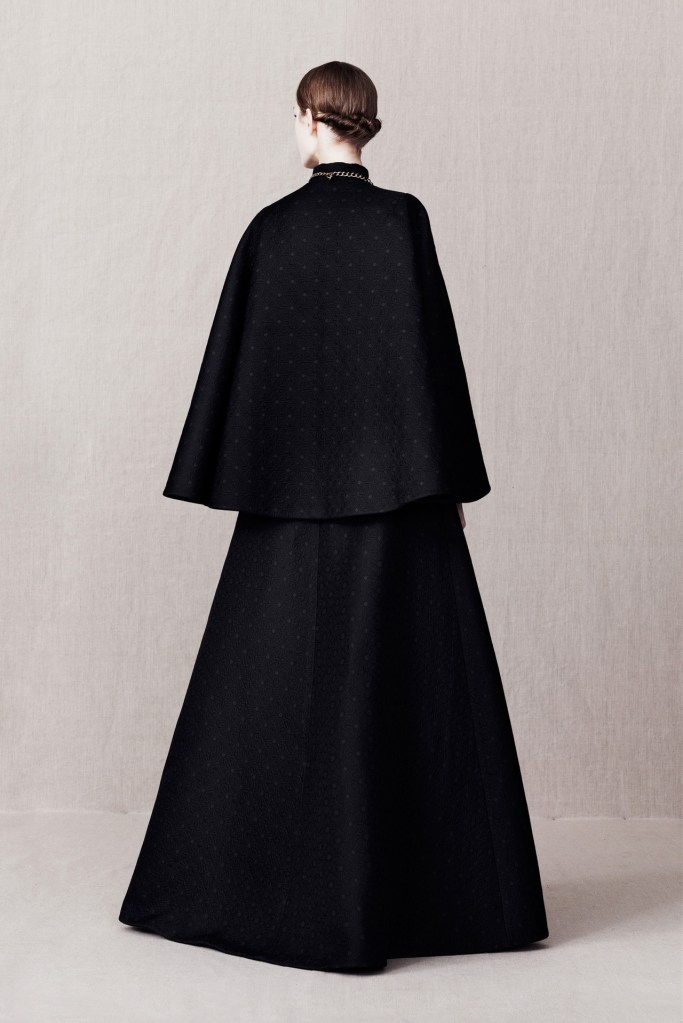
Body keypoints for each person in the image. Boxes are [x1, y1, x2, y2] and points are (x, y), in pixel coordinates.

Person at [118, 60, 549, 973]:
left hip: (287, 508)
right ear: (364, 123)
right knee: (418, 699)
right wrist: (446, 485)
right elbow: (429, 356)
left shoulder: (270, 229)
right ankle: (426, 906)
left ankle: (242, 895)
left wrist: (257, 470)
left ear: (312, 120)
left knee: (262, 699)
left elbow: (239, 365)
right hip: (400, 499)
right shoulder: (402, 221)